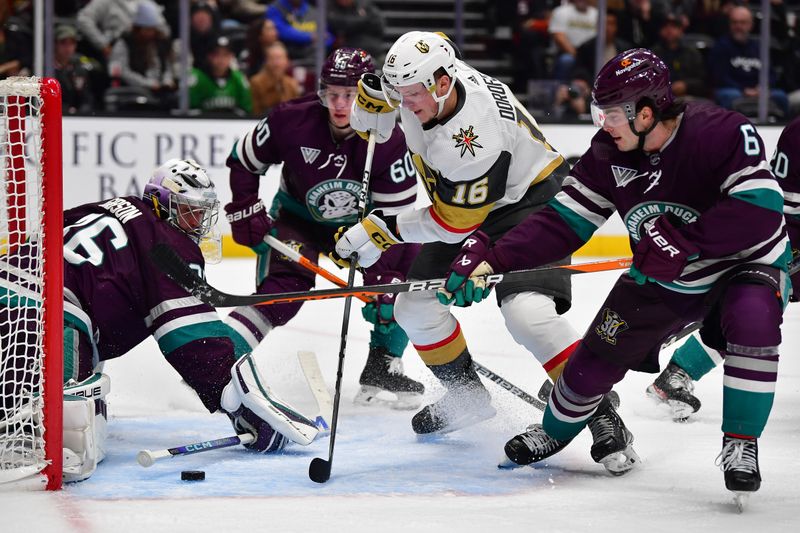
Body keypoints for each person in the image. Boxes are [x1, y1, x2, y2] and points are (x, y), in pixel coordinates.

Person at [440, 48, 790, 497]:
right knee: (590, 366)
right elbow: (561, 222)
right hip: (664, 277)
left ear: (645, 113)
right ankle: (556, 429)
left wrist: (686, 242)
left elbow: (761, 210)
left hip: (745, 266)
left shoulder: (720, 133)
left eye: (610, 113)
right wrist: (494, 256)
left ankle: (741, 442)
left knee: (754, 321)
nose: (601, 123)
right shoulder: (608, 154)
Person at [334, 31, 636, 473]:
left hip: (530, 204)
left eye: (411, 94)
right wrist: (371, 101)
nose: (404, 101)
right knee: (414, 308)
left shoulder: (471, 142)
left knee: (527, 313)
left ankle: (602, 414)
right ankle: (466, 396)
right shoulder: (429, 76)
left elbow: (454, 223)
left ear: (441, 83)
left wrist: (383, 229)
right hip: (471, 203)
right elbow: (436, 42)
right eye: (398, 91)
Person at [0, 159, 319, 483]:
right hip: (38, 315)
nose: (196, 222)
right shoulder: (167, 244)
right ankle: (31, 415)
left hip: (11, 285)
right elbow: (194, 341)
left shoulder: (108, 207)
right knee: (66, 432)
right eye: (188, 210)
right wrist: (240, 405)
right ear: (161, 203)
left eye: (202, 212)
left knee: (84, 378)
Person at [222, 47, 425, 409]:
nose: (339, 104)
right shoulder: (290, 119)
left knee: (406, 276)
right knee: (283, 291)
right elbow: (243, 160)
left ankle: (383, 365)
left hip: (365, 229)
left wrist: (386, 281)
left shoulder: (392, 136)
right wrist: (243, 209)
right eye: (332, 93)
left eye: (349, 95)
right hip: (298, 220)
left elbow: (394, 219)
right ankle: (217, 359)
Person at [647, 115, 800, 422]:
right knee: (755, 306)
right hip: (789, 232)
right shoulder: (798, 135)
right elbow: (785, 207)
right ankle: (676, 371)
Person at [708, 5, 789, 117]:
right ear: (729, 24)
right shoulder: (721, 46)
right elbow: (720, 77)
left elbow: (770, 74)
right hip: (735, 90)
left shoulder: (759, 48)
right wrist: (744, 90)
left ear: (751, 24)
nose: (738, 26)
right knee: (729, 95)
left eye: (743, 22)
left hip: (758, 90)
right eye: (735, 22)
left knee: (781, 96)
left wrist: (762, 88)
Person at [189, 35, 252, 115]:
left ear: (231, 56)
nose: (221, 59)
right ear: (209, 56)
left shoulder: (239, 78)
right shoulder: (197, 79)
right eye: (217, 54)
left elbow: (246, 110)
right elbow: (191, 111)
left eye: (225, 55)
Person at [249, 41, 302, 116]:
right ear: (266, 61)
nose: (276, 63)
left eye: (279, 58)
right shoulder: (256, 82)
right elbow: (255, 113)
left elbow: (297, 111)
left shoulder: (292, 83)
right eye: (272, 58)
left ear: (287, 61)